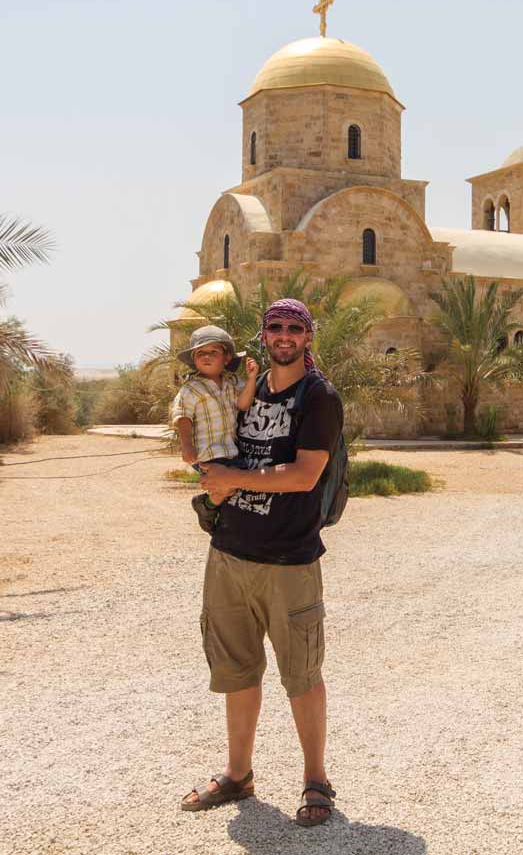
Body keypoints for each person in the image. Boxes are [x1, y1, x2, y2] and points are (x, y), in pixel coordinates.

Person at [180, 298, 344, 829]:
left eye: (295, 327)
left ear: (308, 337)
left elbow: (303, 476)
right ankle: (238, 774)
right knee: (236, 668)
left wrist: (230, 481)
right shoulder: (247, 391)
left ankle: (316, 780)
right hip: (229, 552)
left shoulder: (318, 397)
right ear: (263, 335)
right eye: (276, 326)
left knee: (302, 673)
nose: (285, 335)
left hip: (288, 559)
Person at [170, 325, 259, 532]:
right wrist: (186, 446)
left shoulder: (232, 383)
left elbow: (243, 404)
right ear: (194, 359)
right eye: (201, 353)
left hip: (230, 450)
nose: (207, 356)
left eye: (213, 352)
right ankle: (208, 506)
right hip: (207, 453)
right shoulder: (191, 388)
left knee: (238, 483)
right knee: (227, 484)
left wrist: (253, 378)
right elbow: (182, 417)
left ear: (226, 358)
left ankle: (207, 505)